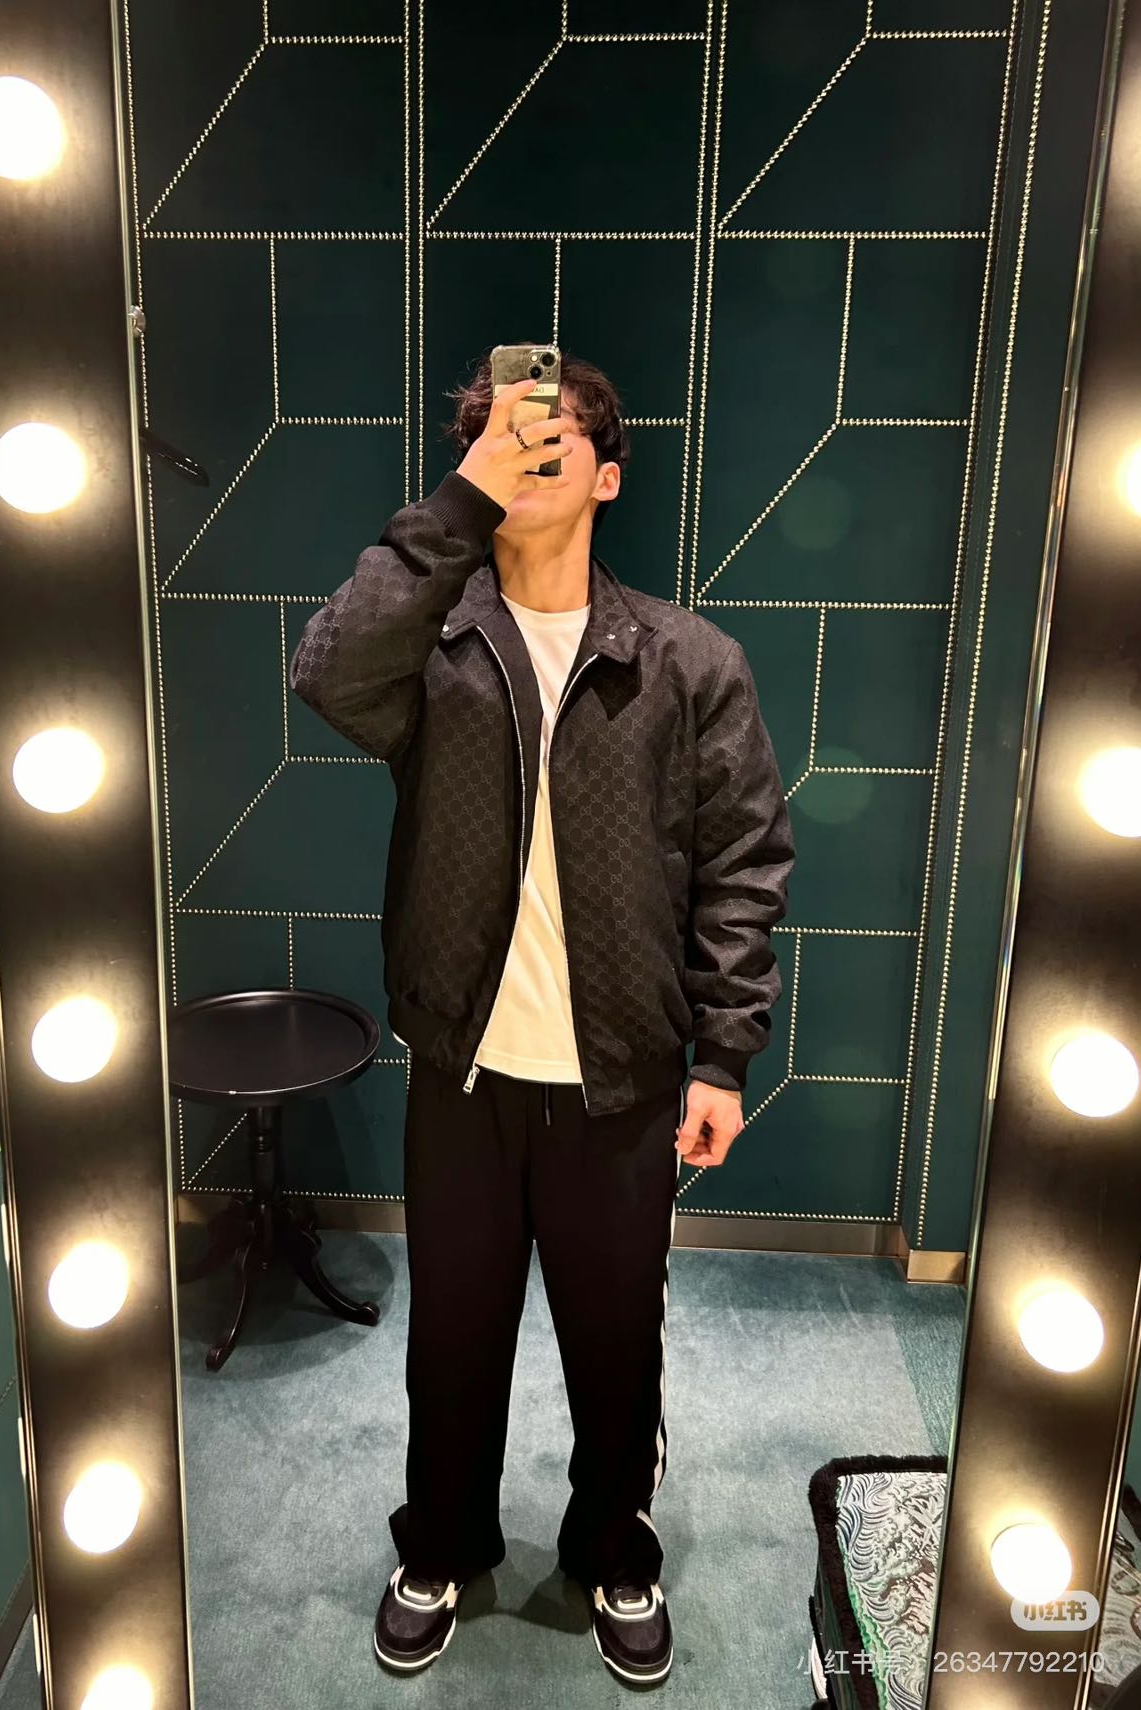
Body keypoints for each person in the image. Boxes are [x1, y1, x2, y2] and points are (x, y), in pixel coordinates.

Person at [288, 348, 795, 1686]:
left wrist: (724, 1057)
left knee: (617, 1341)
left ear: (608, 474)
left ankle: (614, 1544)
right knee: (452, 1337)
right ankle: (441, 1543)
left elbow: (744, 865)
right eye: (496, 436)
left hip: (621, 1078)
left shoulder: (687, 660)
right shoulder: (431, 647)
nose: (523, 451)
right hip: (462, 1068)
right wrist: (458, 503)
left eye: (549, 433)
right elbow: (327, 672)